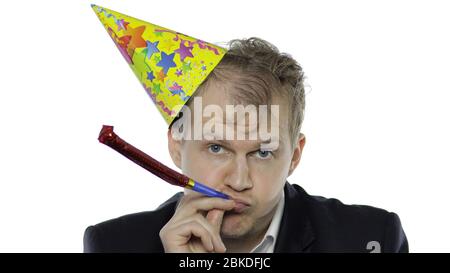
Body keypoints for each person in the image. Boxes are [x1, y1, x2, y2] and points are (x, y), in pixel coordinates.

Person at [85, 5, 408, 253]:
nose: (239, 181)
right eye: (216, 148)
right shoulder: (114, 244)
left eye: (263, 152)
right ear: (177, 146)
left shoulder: (371, 237)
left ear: (294, 156)